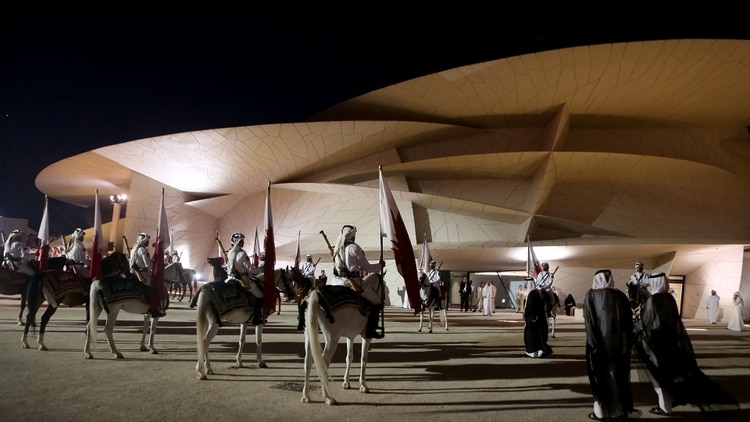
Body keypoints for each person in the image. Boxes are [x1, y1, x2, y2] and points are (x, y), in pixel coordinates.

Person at [633, 273, 739, 417]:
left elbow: (646, 322)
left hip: (658, 341)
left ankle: (665, 408)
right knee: (668, 374)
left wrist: (634, 325)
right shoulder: (669, 298)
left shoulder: (654, 300)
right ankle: (666, 403)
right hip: (670, 340)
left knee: (659, 375)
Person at [583, 269, 637, 421]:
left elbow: (590, 323)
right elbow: (628, 323)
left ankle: (601, 412)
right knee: (618, 377)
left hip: (599, 344)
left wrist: (593, 346)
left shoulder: (591, 296)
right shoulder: (620, 296)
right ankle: (618, 411)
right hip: (619, 345)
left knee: (600, 377)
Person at [331, 224, 385, 339]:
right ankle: (370, 330)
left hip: (336, 282)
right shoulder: (354, 248)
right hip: (352, 282)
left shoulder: (336, 248)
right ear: (353, 236)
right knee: (377, 302)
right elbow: (368, 268)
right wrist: (380, 265)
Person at [225, 232, 264, 325]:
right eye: (242, 241)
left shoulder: (230, 252)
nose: (243, 243)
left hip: (229, 279)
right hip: (242, 279)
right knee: (260, 296)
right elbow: (250, 269)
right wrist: (263, 269)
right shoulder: (242, 253)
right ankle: (256, 317)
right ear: (238, 242)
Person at [129, 232, 167, 318]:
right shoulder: (143, 250)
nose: (148, 242)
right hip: (142, 274)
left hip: (133, 273)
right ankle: (153, 307)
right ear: (144, 241)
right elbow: (148, 265)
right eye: (147, 241)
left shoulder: (134, 249)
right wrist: (156, 266)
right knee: (156, 286)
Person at [523, 288, 553, 358]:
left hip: (533, 318)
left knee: (531, 335)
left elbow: (530, 306)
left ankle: (533, 352)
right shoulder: (544, 294)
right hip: (541, 318)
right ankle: (539, 351)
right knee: (540, 335)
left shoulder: (532, 294)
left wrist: (526, 315)